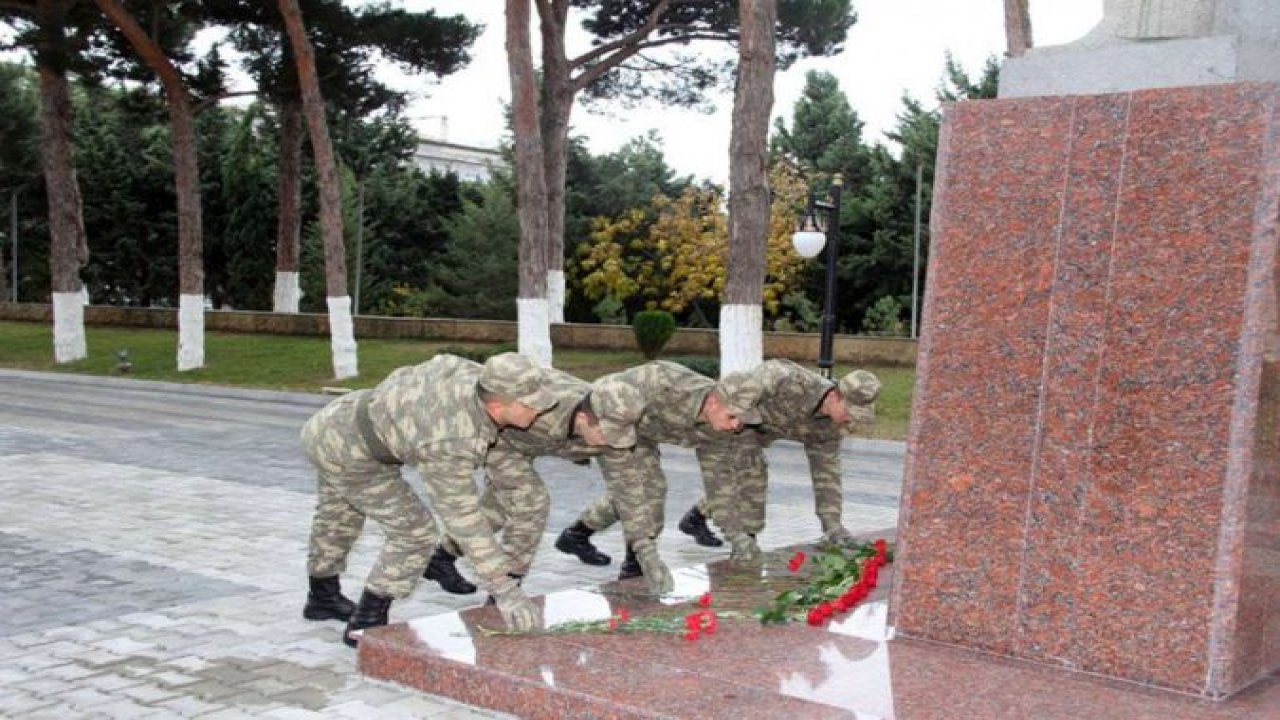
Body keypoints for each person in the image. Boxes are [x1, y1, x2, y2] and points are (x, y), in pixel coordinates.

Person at [299, 352, 556, 646]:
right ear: (497, 405)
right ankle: (366, 622)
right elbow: (464, 520)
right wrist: (506, 592)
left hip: (337, 420)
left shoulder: (476, 377)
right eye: (532, 406)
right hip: (349, 451)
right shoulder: (451, 440)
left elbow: (439, 360)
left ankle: (321, 597)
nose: (540, 411)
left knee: (338, 518)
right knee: (415, 532)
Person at [552, 361, 763, 593]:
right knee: (643, 491)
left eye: (741, 420)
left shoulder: (720, 427)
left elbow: (719, 486)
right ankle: (635, 568)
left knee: (641, 492)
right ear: (713, 402)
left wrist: (738, 537)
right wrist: (580, 439)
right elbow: (604, 397)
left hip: (645, 431)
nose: (736, 426)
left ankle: (576, 535)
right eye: (732, 416)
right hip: (615, 421)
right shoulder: (664, 384)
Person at [427, 367, 642, 591]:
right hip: (501, 439)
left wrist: (640, 557)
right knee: (530, 502)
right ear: (582, 419)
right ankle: (505, 593)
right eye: (607, 435)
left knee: (497, 510)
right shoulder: (542, 410)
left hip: (528, 439)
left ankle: (440, 557)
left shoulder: (611, 422)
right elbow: (488, 409)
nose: (612, 442)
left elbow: (632, 493)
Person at [679, 360, 881, 550]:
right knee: (752, 471)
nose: (851, 419)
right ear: (835, 396)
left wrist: (833, 527)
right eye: (850, 411)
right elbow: (754, 380)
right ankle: (746, 544)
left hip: (761, 429)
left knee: (743, 474)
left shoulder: (830, 428)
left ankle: (696, 517)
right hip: (737, 417)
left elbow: (827, 475)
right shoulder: (790, 381)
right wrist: (733, 414)